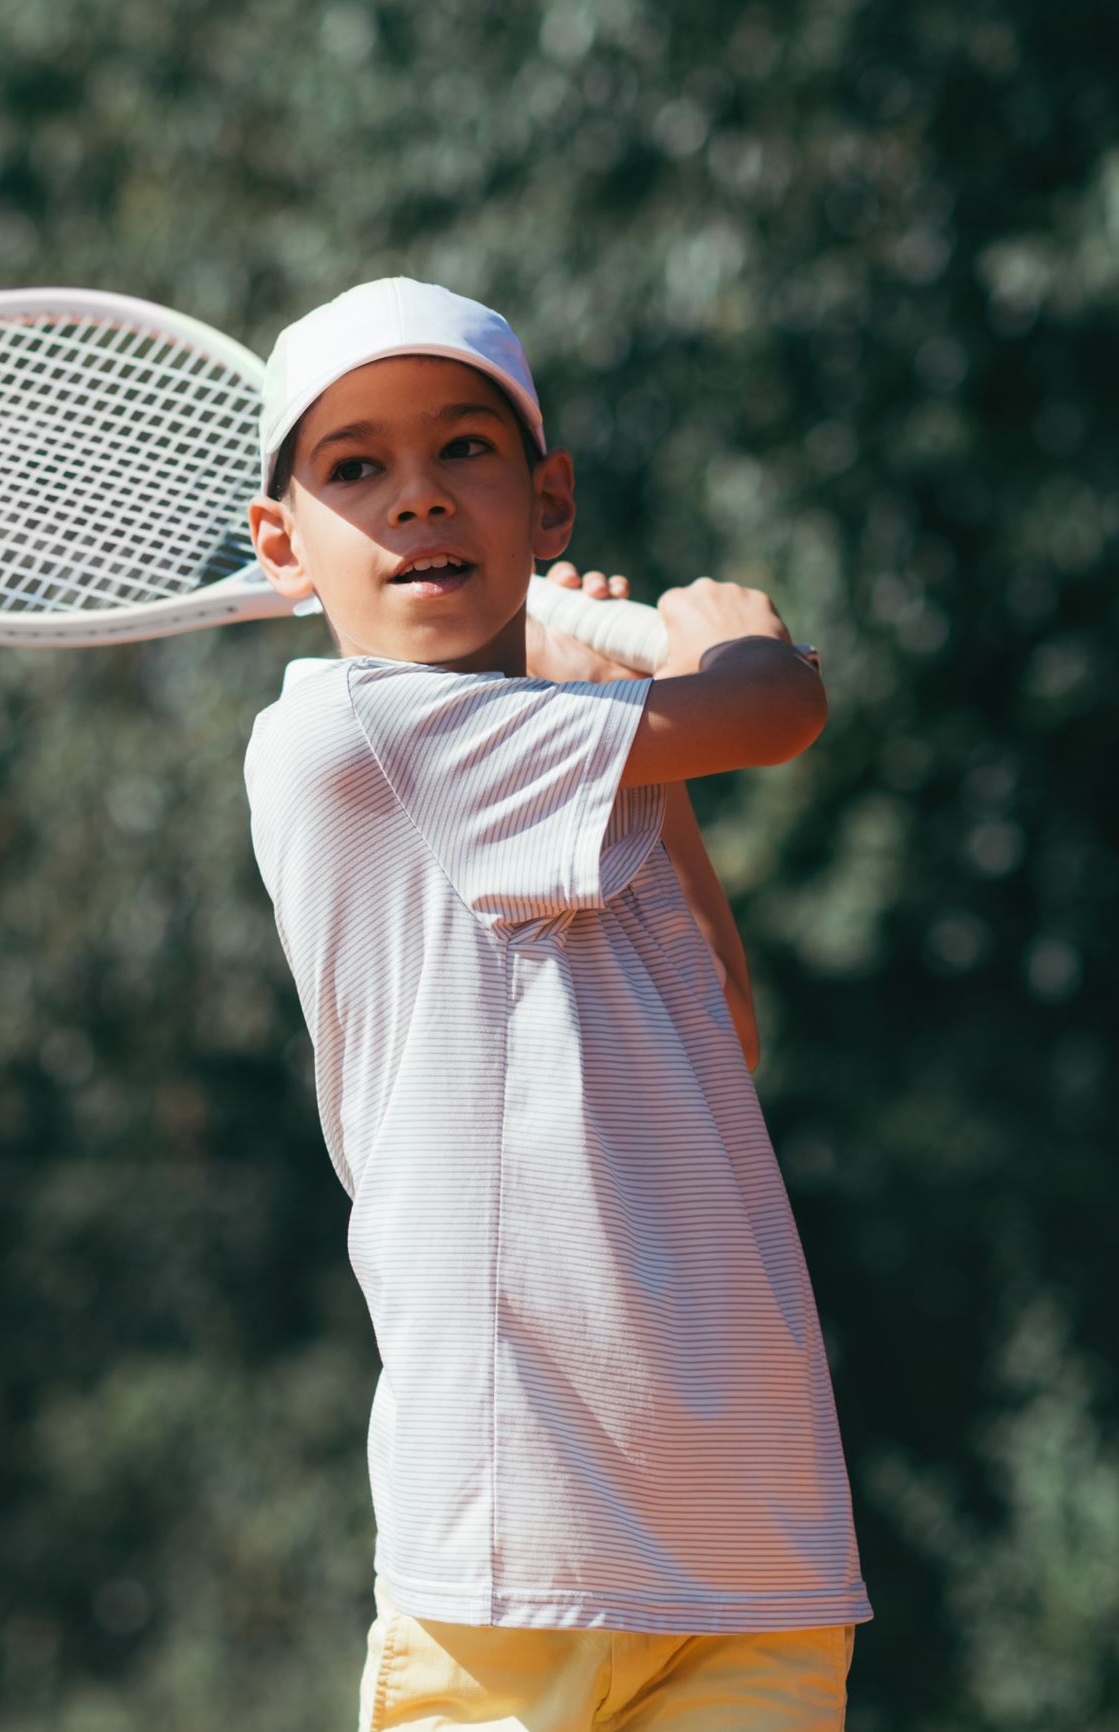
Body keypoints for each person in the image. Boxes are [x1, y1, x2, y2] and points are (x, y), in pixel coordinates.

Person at [240, 278, 871, 1731]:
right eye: (355, 470)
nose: (418, 500)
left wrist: (622, 730)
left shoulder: (565, 755)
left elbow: (725, 1025)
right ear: (284, 546)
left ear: (549, 501)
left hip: (751, 1557)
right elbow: (776, 709)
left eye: (465, 451)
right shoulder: (339, 734)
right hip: (510, 1567)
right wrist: (732, 639)